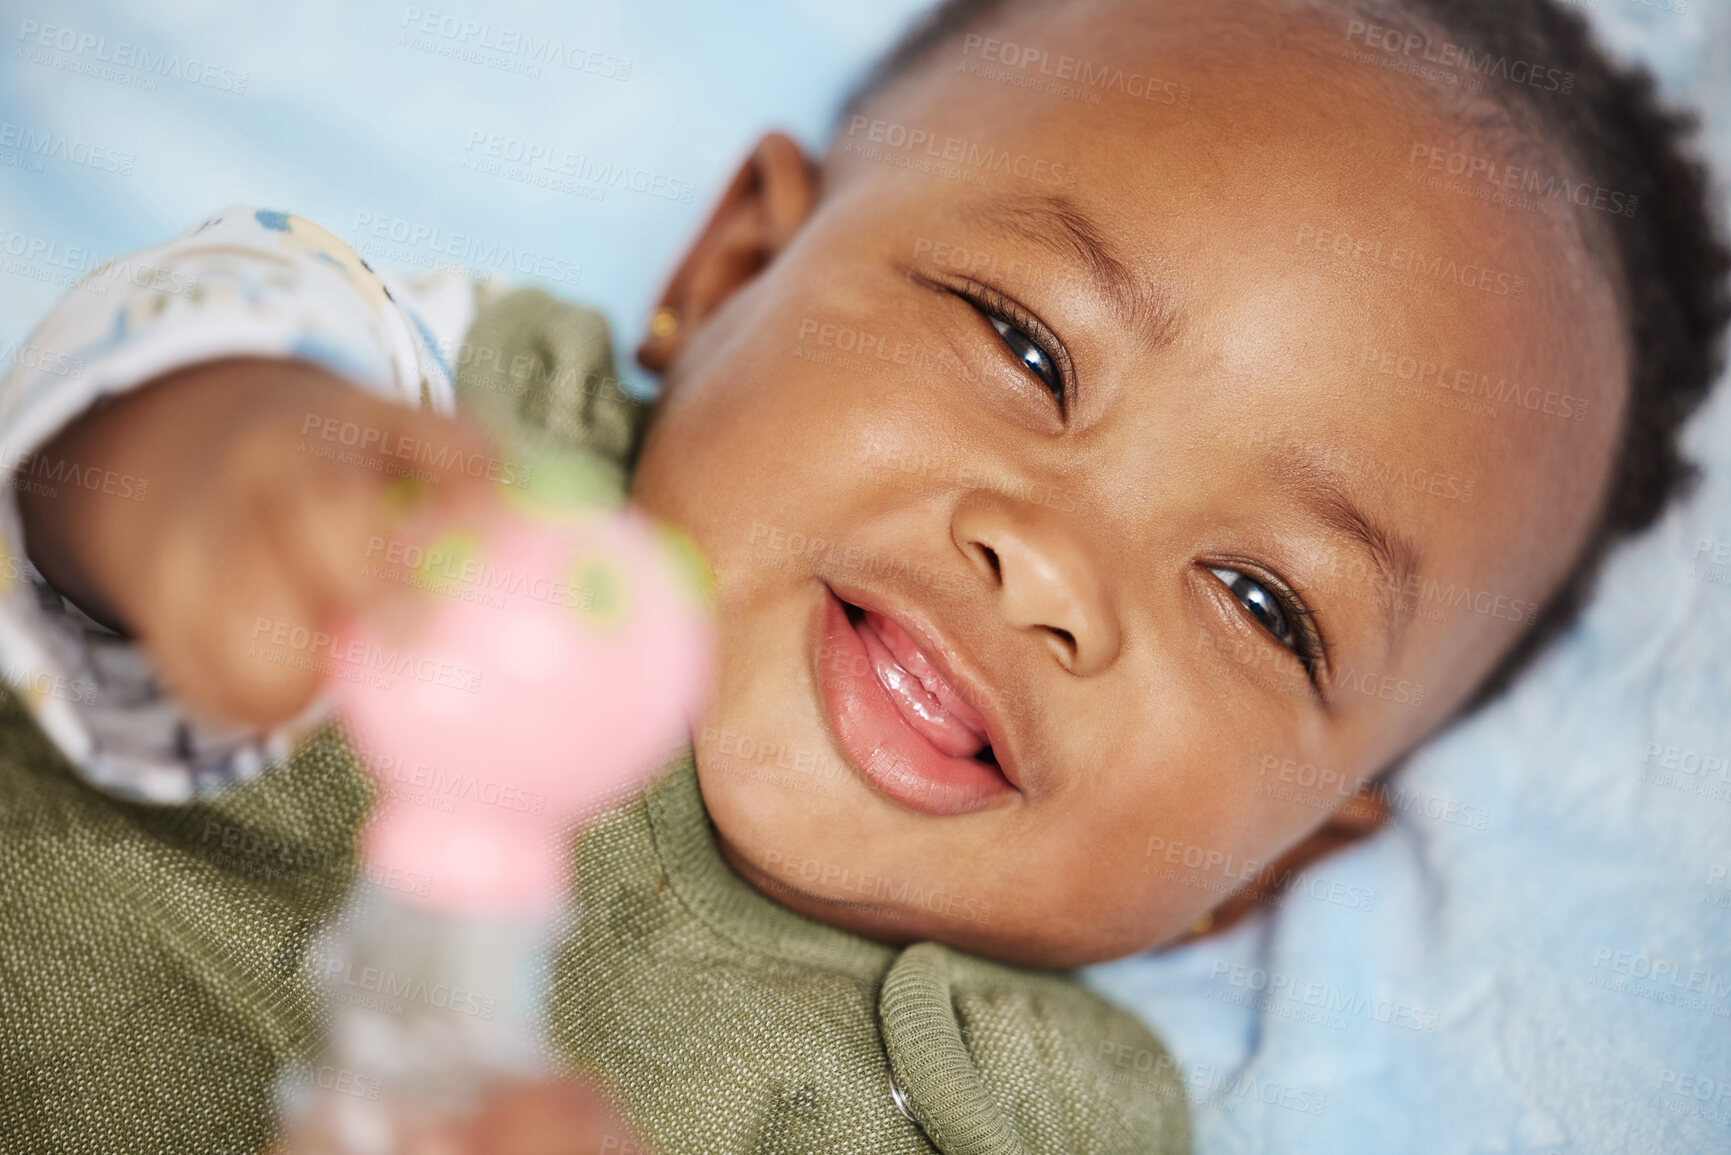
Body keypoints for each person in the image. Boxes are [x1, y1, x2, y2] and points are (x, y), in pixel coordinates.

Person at [0, 0, 1724, 1150]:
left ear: (1265, 873)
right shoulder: (460, 445)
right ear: (729, 268)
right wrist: (202, 469)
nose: (1051, 565)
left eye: (1266, 605)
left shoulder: (1050, 1121)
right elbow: (103, 429)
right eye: (1029, 347)